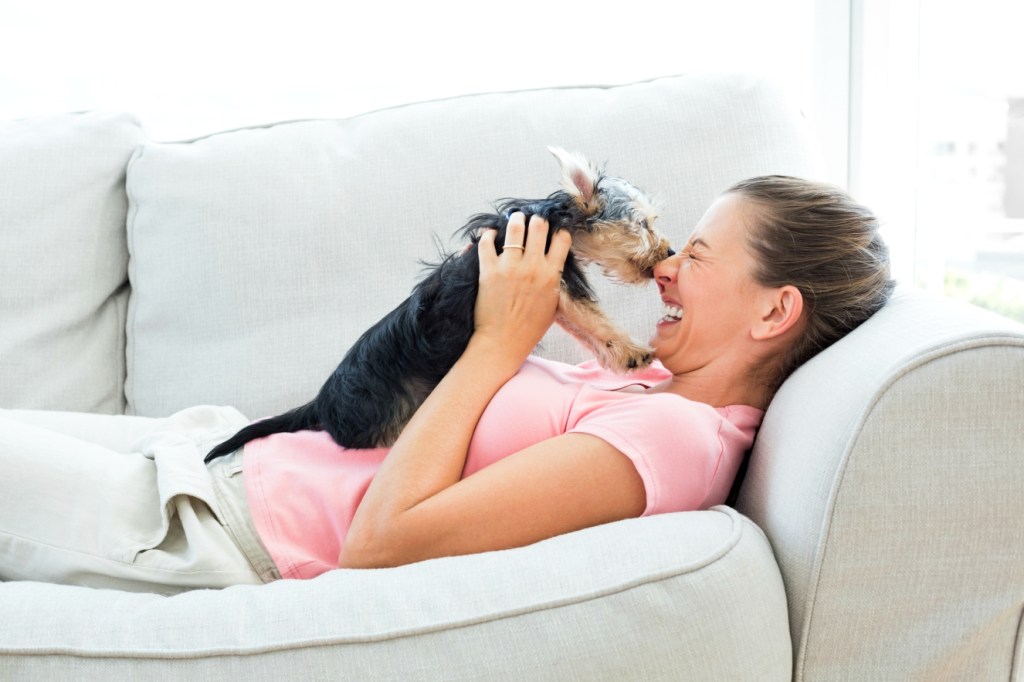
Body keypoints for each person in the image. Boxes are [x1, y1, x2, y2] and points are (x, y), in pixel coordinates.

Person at [0, 175, 894, 592]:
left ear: (775, 313)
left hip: (219, 528)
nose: (663, 270)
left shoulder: (678, 442)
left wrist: (501, 345)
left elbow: (385, 544)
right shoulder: (655, 392)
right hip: (222, 455)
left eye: (695, 256)